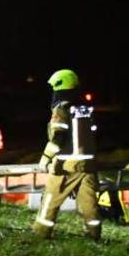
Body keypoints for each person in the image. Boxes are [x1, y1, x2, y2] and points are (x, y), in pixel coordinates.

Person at [33, 69, 102, 241]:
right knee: (88, 201)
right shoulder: (86, 109)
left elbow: (58, 137)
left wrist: (45, 159)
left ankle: (41, 232)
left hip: (66, 165)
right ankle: (94, 234)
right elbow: (94, 135)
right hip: (88, 164)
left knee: (51, 198)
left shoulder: (61, 109)